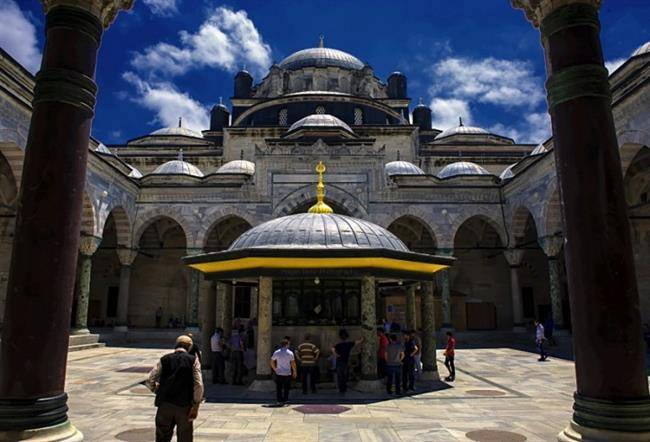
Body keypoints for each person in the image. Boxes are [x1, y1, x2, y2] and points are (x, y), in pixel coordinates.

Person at [146, 335, 203, 442]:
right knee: (184, 437)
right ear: (189, 347)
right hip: (184, 406)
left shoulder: (164, 359)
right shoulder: (193, 360)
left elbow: (150, 379)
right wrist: (196, 404)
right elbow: (198, 384)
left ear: (176, 345)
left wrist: (157, 390)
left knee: (162, 437)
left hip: (164, 405)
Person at [331, 329, 363, 393]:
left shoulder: (339, 344)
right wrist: (362, 338)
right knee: (344, 376)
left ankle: (341, 389)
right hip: (345, 362)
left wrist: (336, 355)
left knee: (340, 376)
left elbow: (332, 348)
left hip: (339, 361)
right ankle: (344, 388)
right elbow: (358, 341)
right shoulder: (349, 344)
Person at [271, 338, 297, 405]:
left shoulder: (276, 352)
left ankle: (279, 400)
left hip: (279, 372)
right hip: (287, 373)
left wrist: (275, 369)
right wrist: (294, 371)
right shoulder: (290, 353)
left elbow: (271, 362)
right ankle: (285, 399)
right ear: (287, 345)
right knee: (286, 388)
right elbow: (293, 363)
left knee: (279, 388)